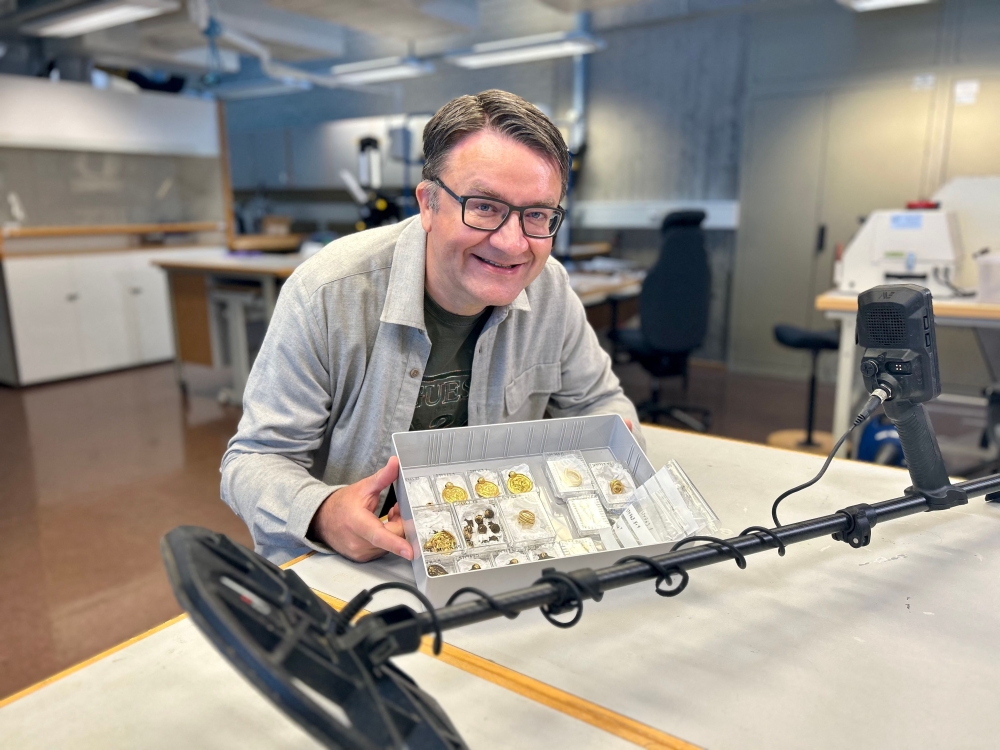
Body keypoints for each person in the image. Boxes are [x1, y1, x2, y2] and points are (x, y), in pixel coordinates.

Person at [221, 89, 643, 565]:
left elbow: (602, 404)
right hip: (351, 566)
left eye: (538, 215)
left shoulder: (550, 290)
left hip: (492, 551)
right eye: (484, 206)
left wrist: (611, 444)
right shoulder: (329, 293)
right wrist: (324, 513)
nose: (512, 242)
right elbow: (252, 460)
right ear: (428, 202)